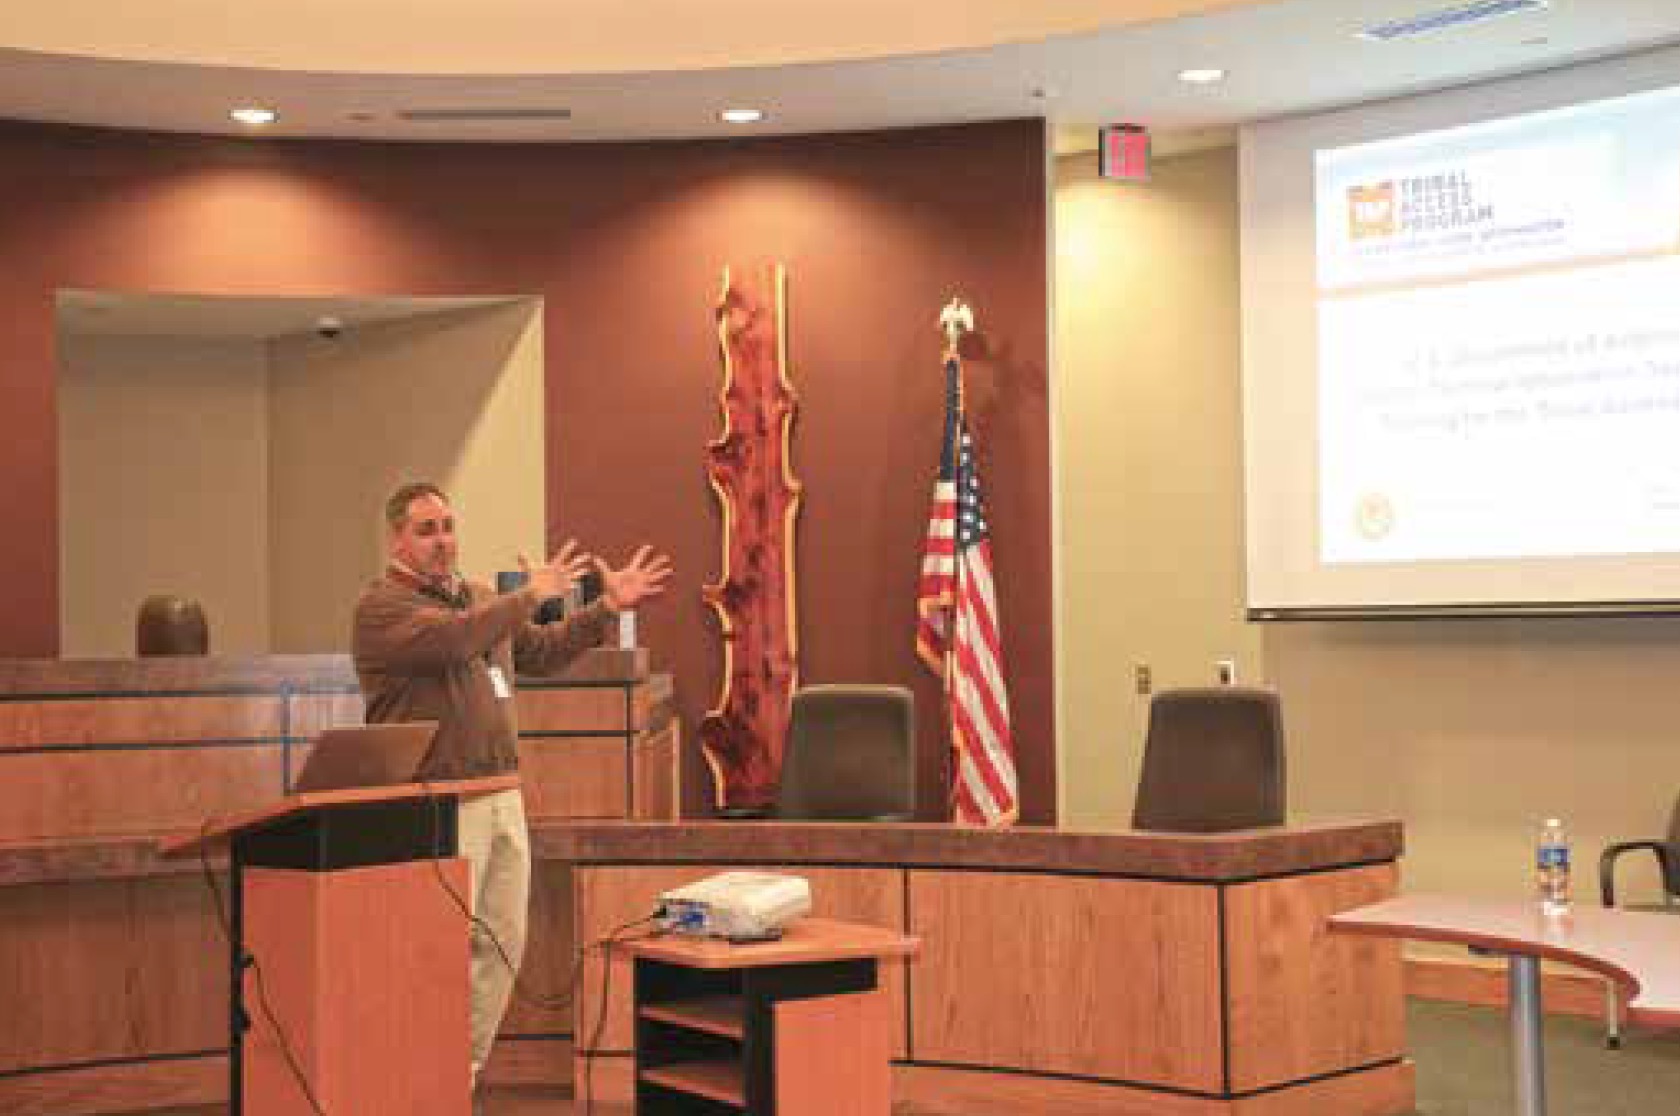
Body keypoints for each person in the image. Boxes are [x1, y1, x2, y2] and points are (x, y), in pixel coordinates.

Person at [352, 481, 671, 1105]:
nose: (443, 540)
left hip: (502, 794)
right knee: (437, 950)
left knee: (502, 944)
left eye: (448, 525)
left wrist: (606, 609)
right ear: (396, 540)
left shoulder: (475, 598)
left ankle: (453, 1075)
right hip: (437, 803)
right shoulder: (381, 608)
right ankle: (419, 1079)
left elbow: (543, 653)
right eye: (427, 529)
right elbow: (457, 640)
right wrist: (527, 596)